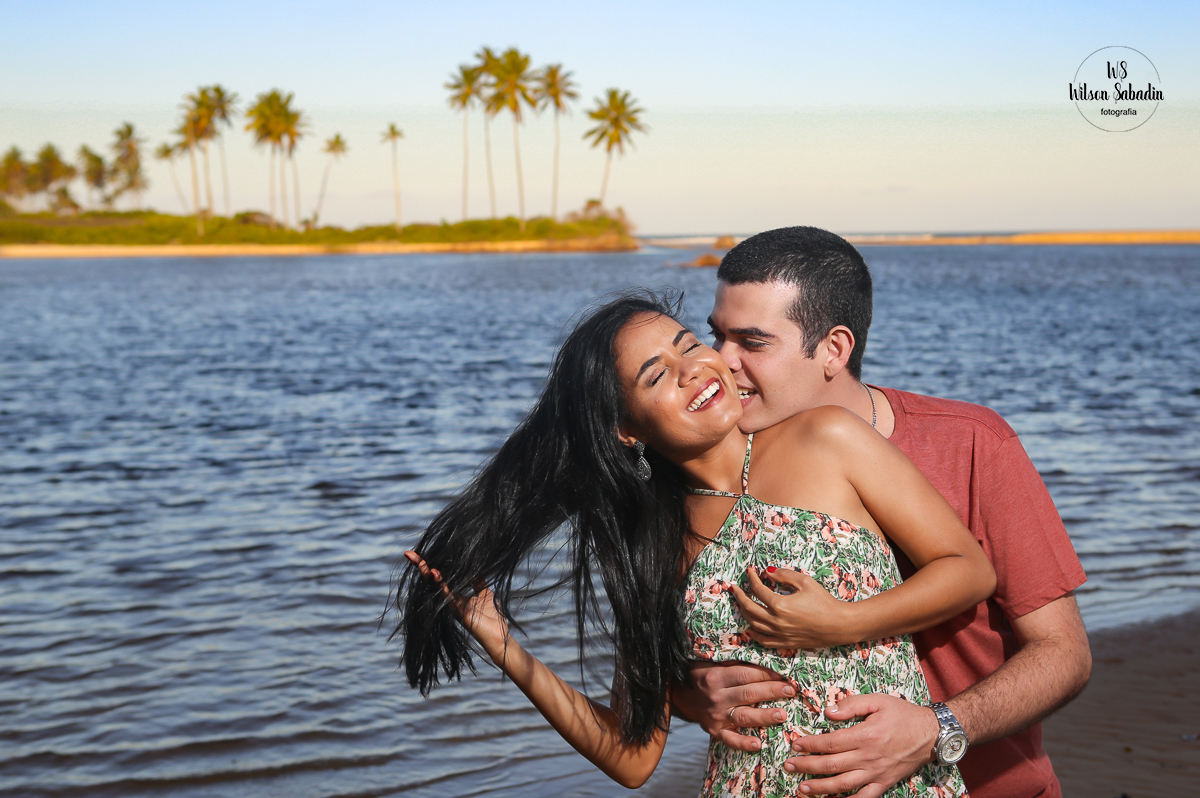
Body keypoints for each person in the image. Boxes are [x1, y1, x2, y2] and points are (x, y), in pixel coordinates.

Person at [396, 291, 996, 796]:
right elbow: (631, 757)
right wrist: (499, 641)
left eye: (688, 345)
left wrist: (843, 622)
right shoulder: (652, 545)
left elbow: (968, 568)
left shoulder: (827, 438)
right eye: (655, 374)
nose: (692, 370)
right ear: (625, 429)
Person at [672, 227, 1091, 798]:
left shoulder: (971, 443)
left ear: (833, 350)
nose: (722, 361)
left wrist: (937, 728)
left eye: (753, 341)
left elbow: (1064, 654)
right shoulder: (708, 475)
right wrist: (695, 694)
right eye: (717, 335)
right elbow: (675, 650)